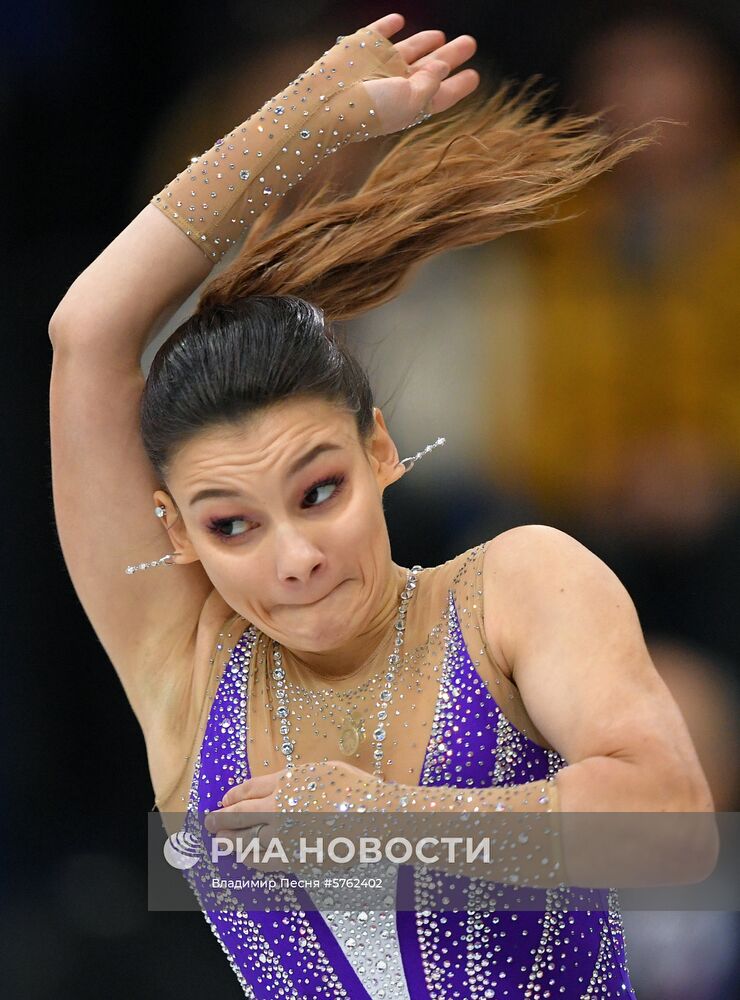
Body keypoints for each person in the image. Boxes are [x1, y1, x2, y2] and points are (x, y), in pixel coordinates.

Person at [48, 12, 714, 998]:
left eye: (317, 492)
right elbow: (87, 332)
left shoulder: (514, 587)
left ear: (379, 451)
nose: (294, 557)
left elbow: (667, 827)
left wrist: (384, 825)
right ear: (177, 533)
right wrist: (302, 117)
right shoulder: (184, 671)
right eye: (232, 523)